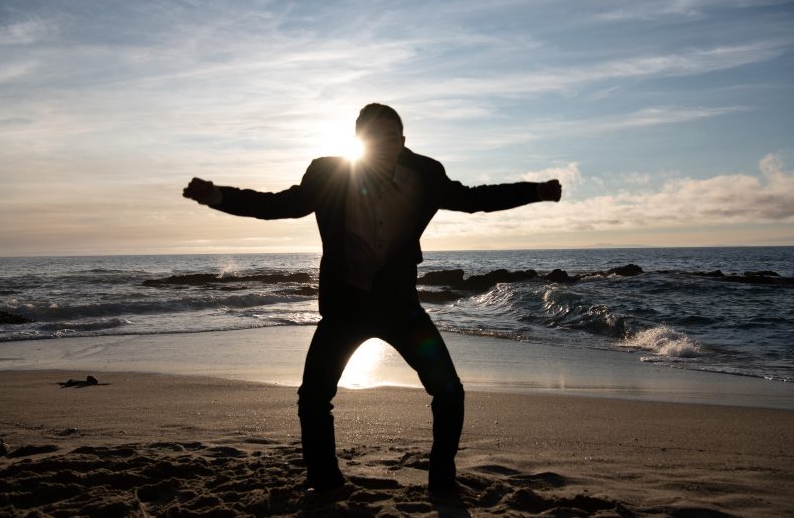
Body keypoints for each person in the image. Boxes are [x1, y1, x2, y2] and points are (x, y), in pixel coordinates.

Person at [183, 103, 562, 492]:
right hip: (345, 306)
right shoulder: (328, 173)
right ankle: (325, 482)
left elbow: (475, 198)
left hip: (400, 307)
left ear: (402, 141)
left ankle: (442, 480)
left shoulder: (426, 173)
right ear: (358, 141)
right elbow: (278, 205)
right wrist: (217, 195)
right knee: (314, 397)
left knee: (449, 391)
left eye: (390, 138)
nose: (382, 146)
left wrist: (535, 191)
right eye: (373, 138)